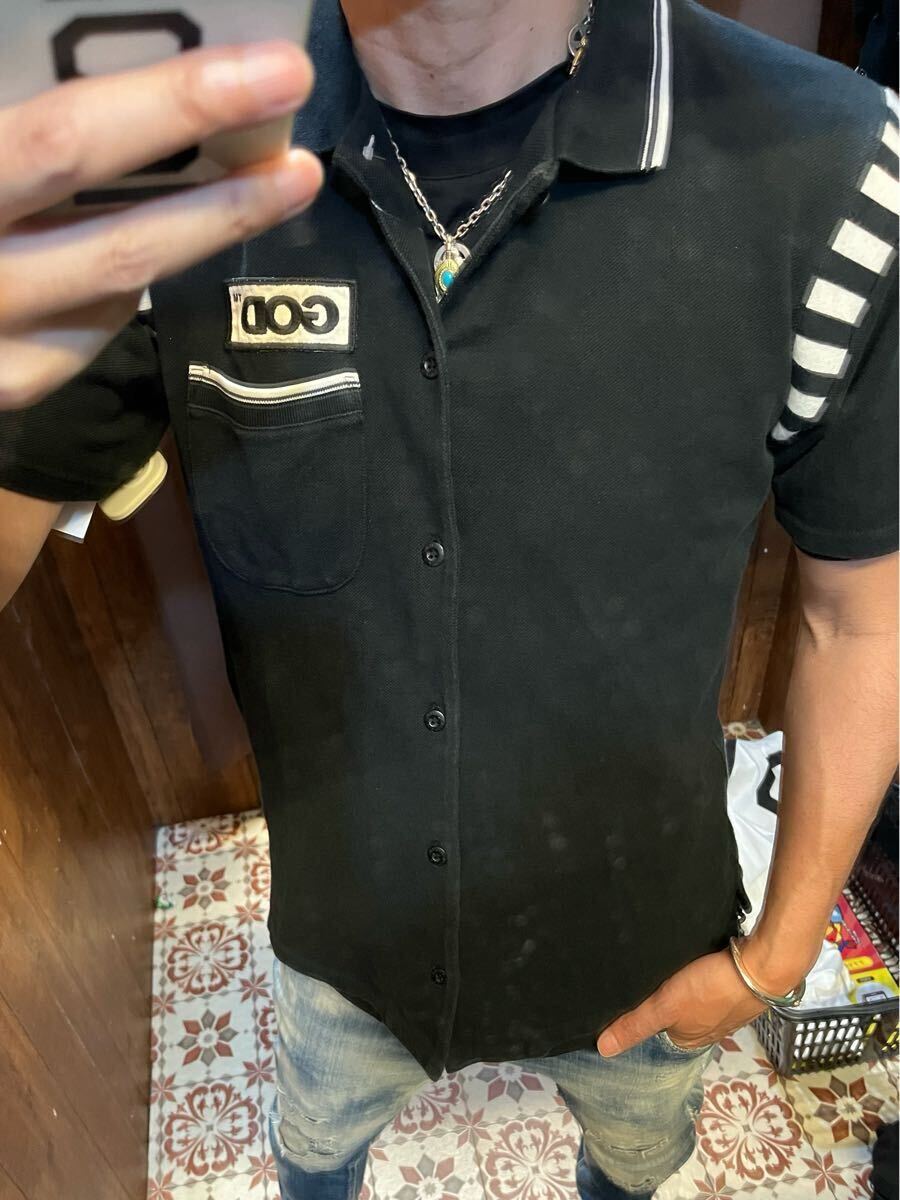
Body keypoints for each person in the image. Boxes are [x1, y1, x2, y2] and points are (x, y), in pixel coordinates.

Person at [0, 2, 897, 1197]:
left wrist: (776, 955)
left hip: (647, 943)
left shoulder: (836, 163)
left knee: (634, 1170)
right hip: (342, 950)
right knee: (314, 1163)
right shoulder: (156, 165)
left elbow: (862, 613)